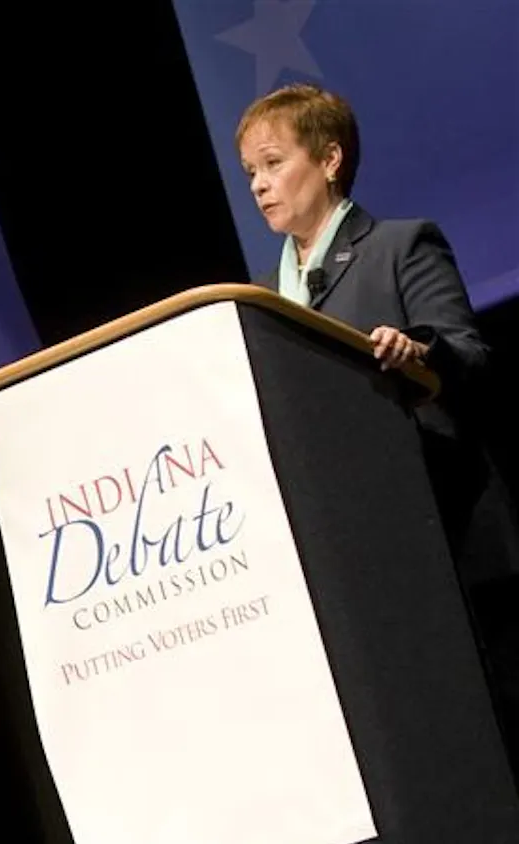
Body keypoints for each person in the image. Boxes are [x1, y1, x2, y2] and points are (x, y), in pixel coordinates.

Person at [235, 82, 519, 774]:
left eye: (273, 164)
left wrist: (419, 353)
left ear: (330, 160)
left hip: (446, 533)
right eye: (250, 173)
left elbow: (471, 353)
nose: (260, 186)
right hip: (359, 560)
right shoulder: (264, 298)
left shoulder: (399, 246)